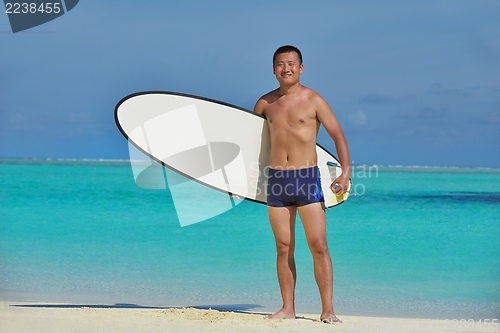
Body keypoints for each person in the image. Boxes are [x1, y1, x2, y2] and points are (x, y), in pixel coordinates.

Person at [253, 45, 350, 324]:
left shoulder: (314, 100)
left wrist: (344, 174)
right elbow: (251, 144)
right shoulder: (264, 104)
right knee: (283, 246)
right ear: (273, 69)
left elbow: (338, 136)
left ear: (301, 67)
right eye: (281, 64)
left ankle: (328, 310)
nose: (287, 68)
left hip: (306, 178)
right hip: (277, 181)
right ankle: (287, 308)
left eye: (292, 63)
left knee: (318, 245)